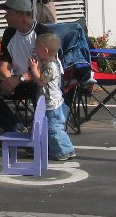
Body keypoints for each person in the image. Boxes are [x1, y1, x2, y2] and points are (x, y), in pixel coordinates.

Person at [0, 0, 52, 135]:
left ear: (22, 14)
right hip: (19, 81)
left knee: (37, 87)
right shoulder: (9, 33)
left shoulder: (43, 33)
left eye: (9, 13)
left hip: (40, 81)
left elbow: (47, 70)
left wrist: (19, 79)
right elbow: (4, 65)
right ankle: (14, 128)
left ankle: (41, 133)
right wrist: (7, 80)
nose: (5, 17)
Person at [29, 33, 76, 161]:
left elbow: (41, 82)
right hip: (47, 103)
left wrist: (33, 69)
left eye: (37, 49)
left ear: (45, 51)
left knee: (53, 128)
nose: (35, 52)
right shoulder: (50, 63)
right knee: (41, 125)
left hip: (52, 104)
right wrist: (38, 66)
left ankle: (65, 150)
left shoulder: (51, 67)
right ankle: (38, 147)